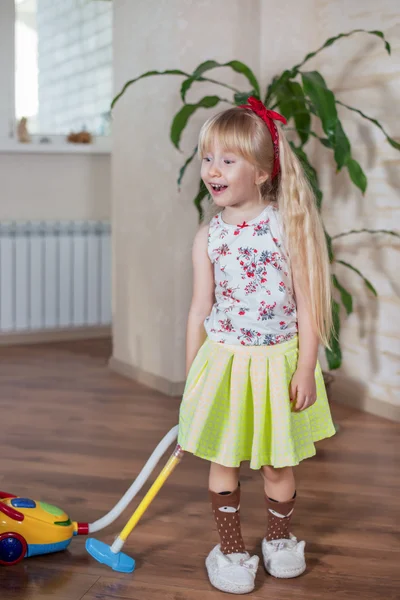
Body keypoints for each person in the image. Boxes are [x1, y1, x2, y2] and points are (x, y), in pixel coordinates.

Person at [178, 96, 336, 594]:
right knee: (223, 459)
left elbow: (309, 307)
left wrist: (306, 367)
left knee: (275, 462)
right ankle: (229, 549)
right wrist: (192, 379)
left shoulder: (286, 228)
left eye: (228, 159)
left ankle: (279, 540)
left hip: (277, 363)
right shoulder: (208, 237)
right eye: (207, 158)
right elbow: (199, 310)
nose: (212, 169)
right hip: (225, 363)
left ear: (263, 172)